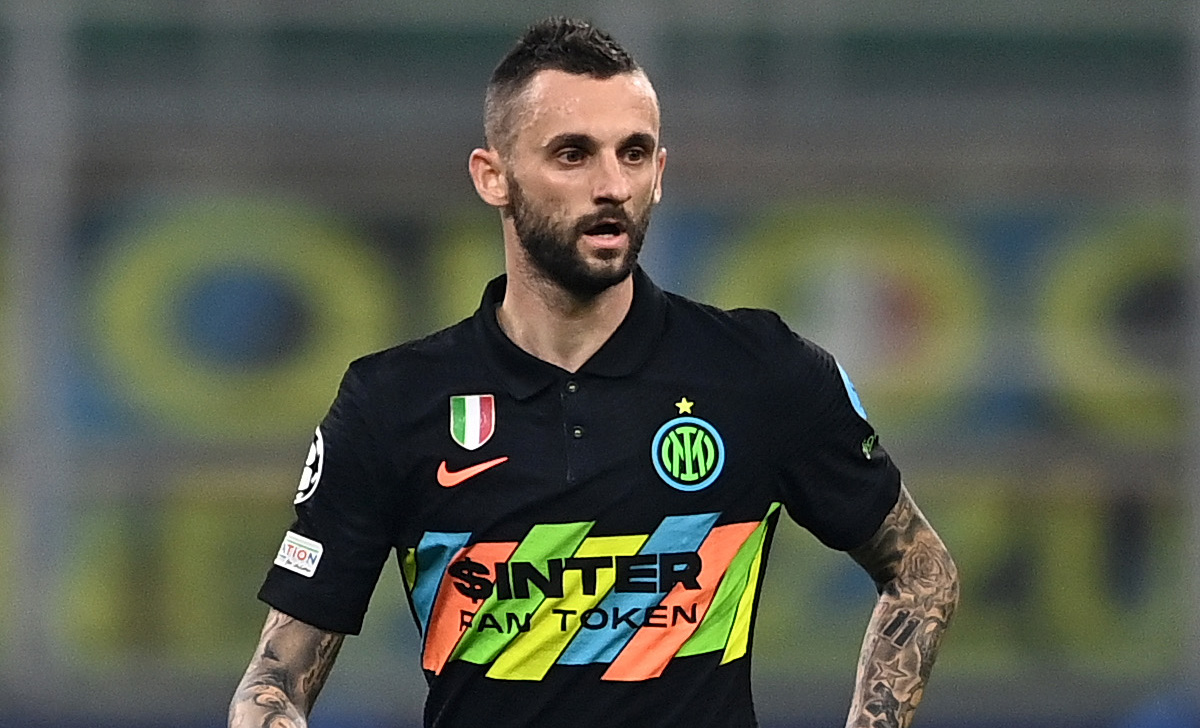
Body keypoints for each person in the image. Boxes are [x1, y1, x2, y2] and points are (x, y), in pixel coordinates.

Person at [229, 16, 959, 728]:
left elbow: (922, 575)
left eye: (633, 154)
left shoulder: (761, 373)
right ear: (493, 176)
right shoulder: (393, 402)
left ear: (659, 173)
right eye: (573, 154)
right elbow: (275, 680)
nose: (612, 185)